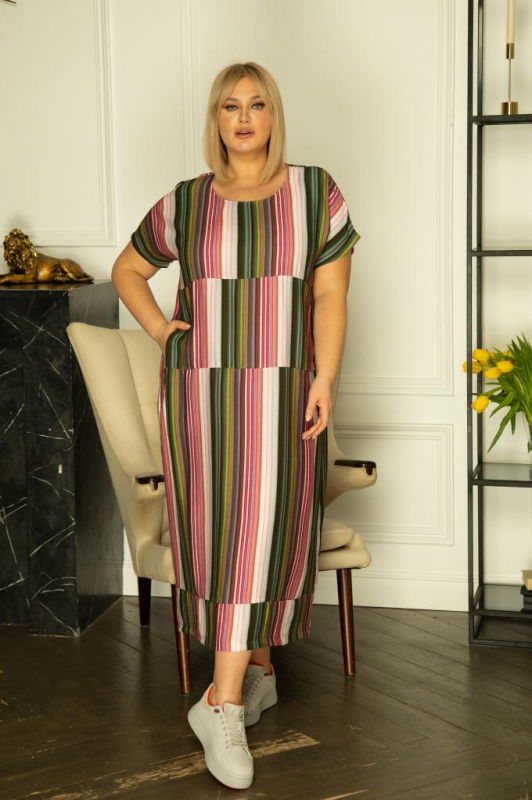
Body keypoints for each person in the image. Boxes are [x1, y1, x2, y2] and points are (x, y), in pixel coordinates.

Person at [112, 61, 361, 790]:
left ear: (273, 115)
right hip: (202, 397)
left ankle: (241, 683)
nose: (244, 117)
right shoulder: (186, 202)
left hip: (285, 392)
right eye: (230, 106)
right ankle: (230, 695)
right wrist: (161, 329)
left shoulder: (316, 192)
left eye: (257, 104)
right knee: (227, 532)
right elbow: (128, 270)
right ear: (216, 120)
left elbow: (330, 296)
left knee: (267, 528)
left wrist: (324, 378)